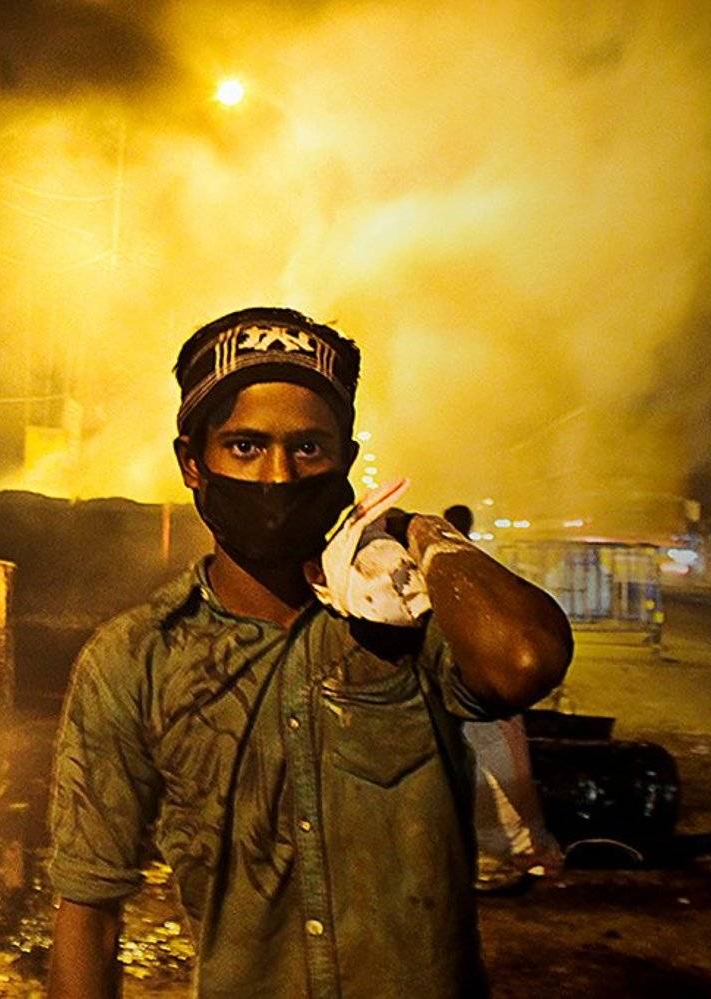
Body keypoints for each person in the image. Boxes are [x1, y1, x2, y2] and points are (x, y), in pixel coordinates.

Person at [47, 307, 574, 998]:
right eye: (244, 446)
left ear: (344, 465)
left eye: (308, 448)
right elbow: (88, 910)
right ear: (192, 463)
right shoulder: (136, 658)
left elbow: (526, 660)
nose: (277, 475)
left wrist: (421, 531)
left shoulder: (409, 622)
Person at [441, 504, 565, 892]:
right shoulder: (476, 569)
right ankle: (505, 849)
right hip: (484, 692)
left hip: (473, 690)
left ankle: (494, 852)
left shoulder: (446, 573)